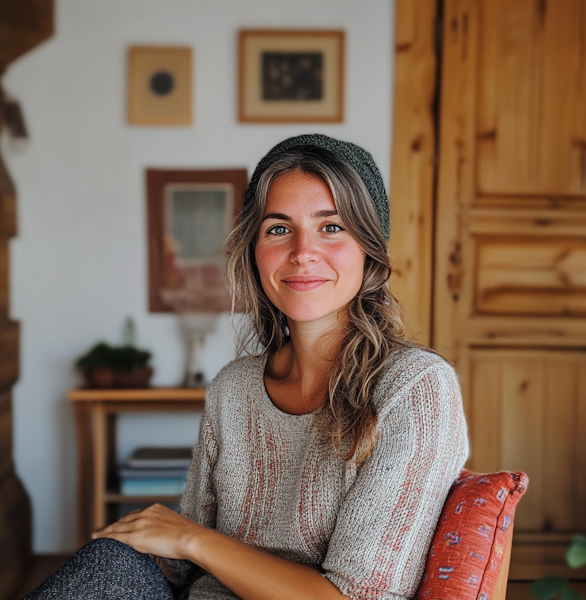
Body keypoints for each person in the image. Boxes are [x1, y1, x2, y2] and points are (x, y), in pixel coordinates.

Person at [24, 134, 468, 600]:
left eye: (331, 226)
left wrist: (191, 539)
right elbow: (178, 568)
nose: (302, 251)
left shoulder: (414, 389)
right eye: (278, 228)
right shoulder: (232, 389)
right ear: (254, 251)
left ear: (370, 247)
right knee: (110, 561)